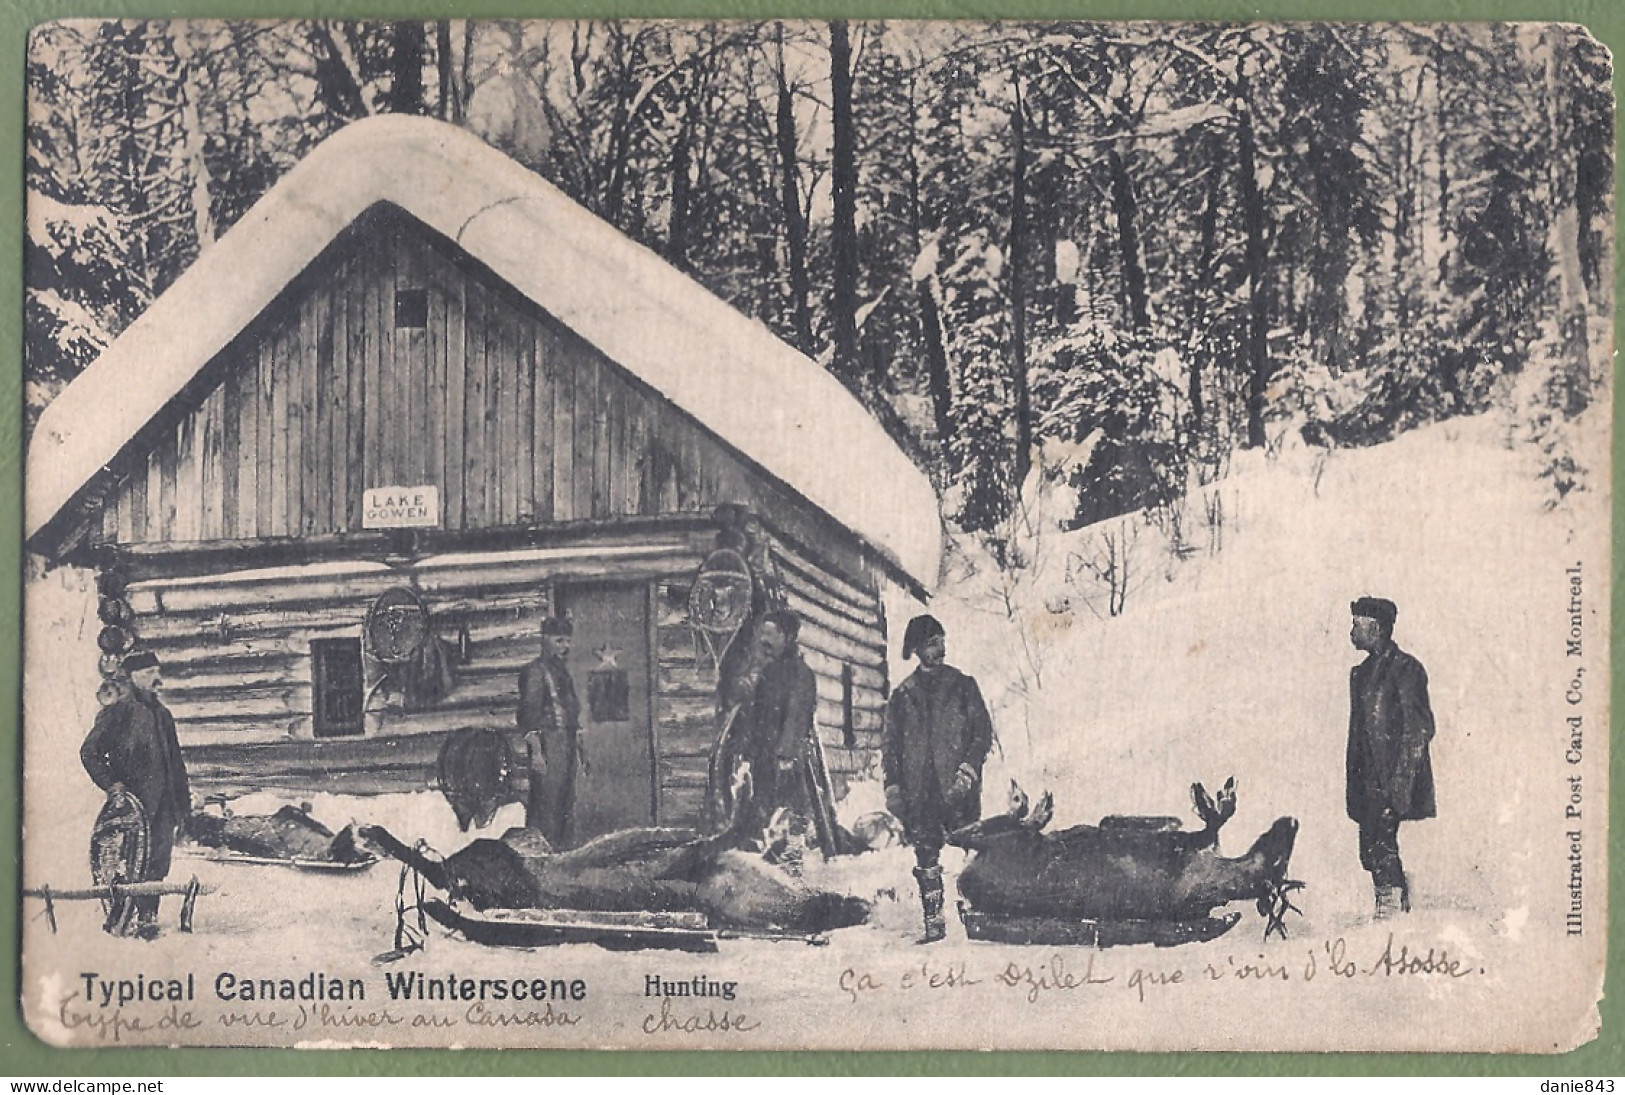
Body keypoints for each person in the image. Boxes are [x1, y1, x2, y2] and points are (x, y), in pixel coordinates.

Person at [882, 615, 994, 943]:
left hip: (958, 788)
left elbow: (982, 734)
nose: (941, 648)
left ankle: (977, 918)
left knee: (968, 852)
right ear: (916, 649)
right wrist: (892, 786)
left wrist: (968, 771)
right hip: (920, 792)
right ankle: (934, 922)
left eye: (942, 640)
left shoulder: (963, 686)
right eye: (932, 643)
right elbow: (890, 748)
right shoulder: (902, 696)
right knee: (926, 856)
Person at [80, 650, 191, 939]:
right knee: (127, 865)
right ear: (133, 677)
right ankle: (118, 924)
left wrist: (183, 807)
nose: (157, 678)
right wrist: (112, 785)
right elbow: (90, 753)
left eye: (157, 671)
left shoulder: (163, 714)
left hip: (164, 805)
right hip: (132, 808)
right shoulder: (119, 711)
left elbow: (176, 763)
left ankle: (147, 918)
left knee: (158, 864)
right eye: (150, 672)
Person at [1346, 595, 1436, 919]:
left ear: (1378, 628)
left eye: (1357, 625)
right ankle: (1395, 894)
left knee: (1383, 844)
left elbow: (1419, 729)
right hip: (1366, 779)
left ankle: (1391, 911)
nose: (1351, 632)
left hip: (1394, 776)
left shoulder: (1406, 669)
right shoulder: (1359, 674)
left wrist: (1401, 783)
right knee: (1368, 852)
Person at [744, 610, 818, 852]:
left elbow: (797, 716)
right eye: (762, 634)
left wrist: (786, 754)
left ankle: (793, 864)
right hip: (764, 756)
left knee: (789, 813)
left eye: (770, 635)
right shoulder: (768, 672)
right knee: (764, 811)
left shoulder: (799, 673)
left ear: (786, 637)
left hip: (788, 759)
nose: (764, 641)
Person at [517, 614, 585, 848]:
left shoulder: (561, 673)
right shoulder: (535, 672)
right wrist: (536, 753)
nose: (565, 647)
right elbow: (528, 716)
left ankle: (563, 857)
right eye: (559, 641)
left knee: (565, 803)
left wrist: (578, 746)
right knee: (546, 805)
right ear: (545, 640)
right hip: (547, 745)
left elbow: (571, 711)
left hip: (565, 744)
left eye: (567, 641)